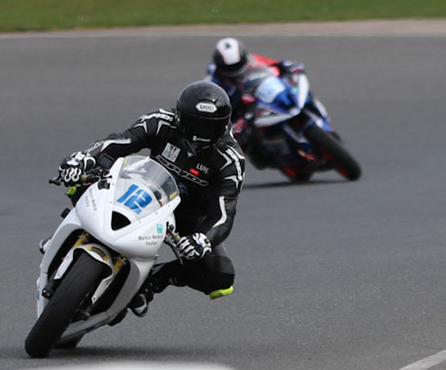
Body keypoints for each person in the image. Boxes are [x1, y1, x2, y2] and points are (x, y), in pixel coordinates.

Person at [58, 80, 245, 314]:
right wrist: (83, 158)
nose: (199, 135)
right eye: (194, 125)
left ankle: (155, 280)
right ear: (179, 116)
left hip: (186, 214)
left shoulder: (230, 159)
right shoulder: (160, 121)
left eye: (209, 128)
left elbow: (225, 211)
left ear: (223, 125)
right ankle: (73, 226)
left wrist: (203, 239)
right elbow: (120, 141)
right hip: (144, 188)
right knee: (81, 177)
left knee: (220, 277)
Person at [206, 37, 303, 141]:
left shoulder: (252, 61)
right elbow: (218, 110)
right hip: (238, 117)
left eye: (237, 65)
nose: (234, 70)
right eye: (229, 68)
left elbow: (271, 64)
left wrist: (285, 66)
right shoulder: (215, 82)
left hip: (259, 104)